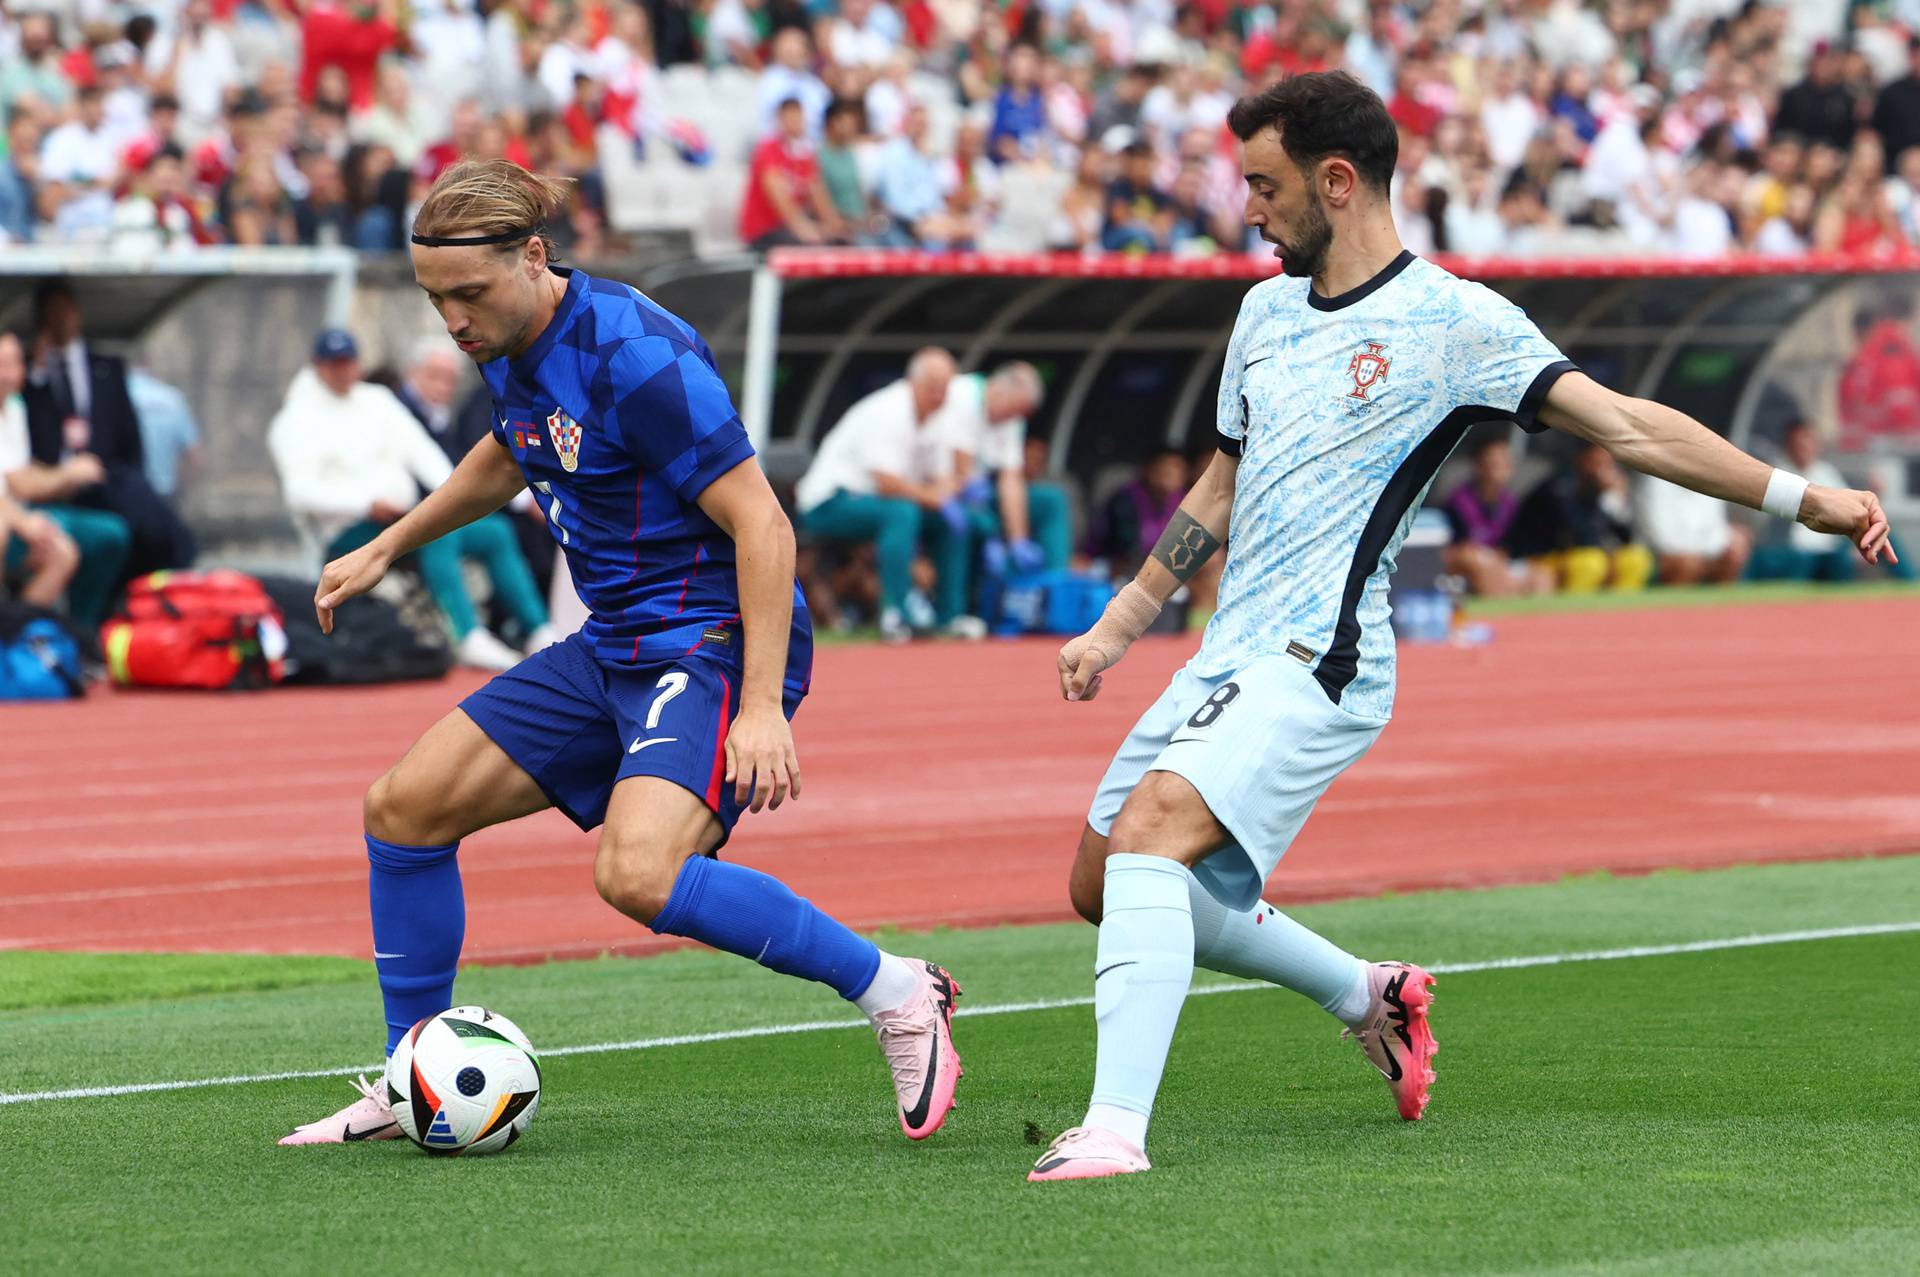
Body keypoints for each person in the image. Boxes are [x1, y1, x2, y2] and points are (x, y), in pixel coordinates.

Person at [1028, 71, 1895, 1182]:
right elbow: (1218, 487)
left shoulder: (1455, 321)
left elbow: (1629, 427)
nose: (1246, 207)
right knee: (1105, 884)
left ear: (1337, 182)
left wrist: (1803, 497)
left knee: (1156, 831)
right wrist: (1118, 623)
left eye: (1264, 183)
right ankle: (1366, 994)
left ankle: (1115, 1132)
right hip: (1225, 654)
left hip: (1322, 659)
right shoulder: (1262, 313)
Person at [280, 160, 962, 1146]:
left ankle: (899, 990)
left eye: (468, 294)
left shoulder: (638, 355)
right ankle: (410, 1070)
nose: (453, 321)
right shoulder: (503, 335)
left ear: (535, 256)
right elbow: (515, 448)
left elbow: (763, 524)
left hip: (707, 638)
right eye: (436, 300)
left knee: (637, 874)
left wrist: (762, 706)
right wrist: (391, 542)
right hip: (613, 641)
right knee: (404, 807)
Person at [267, 328, 550, 670]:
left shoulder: (378, 400)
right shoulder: (295, 420)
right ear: (317, 365)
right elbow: (301, 493)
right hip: (348, 534)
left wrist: (453, 499)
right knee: (436, 534)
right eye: (333, 363)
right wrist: (366, 504)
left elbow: (422, 452)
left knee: (495, 532)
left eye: (348, 361)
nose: (342, 370)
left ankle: (538, 629)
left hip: (400, 518)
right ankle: (468, 635)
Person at [794, 348, 986, 640]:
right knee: (902, 511)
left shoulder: (939, 416)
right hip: (829, 502)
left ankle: (950, 615)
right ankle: (894, 613)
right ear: (913, 382)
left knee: (951, 520)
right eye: (933, 387)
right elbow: (886, 482)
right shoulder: (889, 409)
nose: (940, 395)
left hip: (879, 505)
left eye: (945, 388)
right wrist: (934, 496)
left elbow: (939, 476)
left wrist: (951, 491)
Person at [22, 283, 194, 581]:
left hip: (107, 475)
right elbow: (32, 440)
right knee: (115, 529)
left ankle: (176, 567)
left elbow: (130, 435)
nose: (61, 319)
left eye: (65, 310)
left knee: (137, 504)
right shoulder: (31, 377)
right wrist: (36, 376)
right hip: (58, 483)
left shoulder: (105, 367)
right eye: (52, 313)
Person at [395, 339, 561, 625]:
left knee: (506, 533)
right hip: (421, 511)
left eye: (449, 379)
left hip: (465, 504)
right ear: (413, 373)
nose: (442, 386)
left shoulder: (438, 416)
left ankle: (538, 626)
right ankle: (472, 631)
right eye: (434, 375)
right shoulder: (401, 412)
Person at [0, 332, 130, 626]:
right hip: (12, 518)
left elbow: (22, 473)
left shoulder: (17, 408)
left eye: (14, 363)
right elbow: (18, 483)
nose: (8, 373)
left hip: (24, 512)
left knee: (107, 536)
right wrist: (68, 474)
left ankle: (70, 634)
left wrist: (66, 476)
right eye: (1, 364)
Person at [932, 361, 1071, 607]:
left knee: (1051, 500)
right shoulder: (962, 395)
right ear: (997, 391)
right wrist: (997, 534)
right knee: (973, 522)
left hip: (981, 494)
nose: (1013, 418)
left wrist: (1018, 539)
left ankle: (1055, 594)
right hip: (946, 492)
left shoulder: (1011, 418)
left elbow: (1011, 479)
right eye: (1012, 410)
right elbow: (960, 468)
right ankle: (953, 612)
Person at [1749, 421, 1914, 582]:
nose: (1804, 448)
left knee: (1880, 532)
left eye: (1808, 442)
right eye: (1798, 443)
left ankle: (1913, 583)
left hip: (1830, 545)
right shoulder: (1778, 474)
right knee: (1802, 560)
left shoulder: (1825, 472)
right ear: (1788, 445)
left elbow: (1848, 506)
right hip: (1796, 550)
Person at [1505, 443, 1654, 592]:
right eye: (1597, 463)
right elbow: (1577, 535)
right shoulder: (1560, 487)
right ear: (1582, 460)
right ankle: (1576, 612)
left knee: (1635, 558)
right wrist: (1601, 494)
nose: (1603, 470)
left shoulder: (1599, 490)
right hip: (1538, 557)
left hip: (1581, 552)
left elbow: (1626, 538)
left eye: (1608, 464)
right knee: (1589, 563)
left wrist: (1614, 501)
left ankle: (1620, 611)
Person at [1439, 434, 1551, 595]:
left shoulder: (1509, 503)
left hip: (1500, 562)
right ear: (1478, 465)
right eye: (1493, 461)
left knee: (1541, 576)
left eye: (1504, 461)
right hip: (1465, 567)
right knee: (1484, 567)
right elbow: (1452, 551)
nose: (1499, 465)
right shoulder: (1458, 502)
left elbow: (1511, 548)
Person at [738, 97, 842, 251]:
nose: (796, 122)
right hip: (764, 231)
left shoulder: (805, 153)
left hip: (788, 229)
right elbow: (780, 197)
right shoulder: (768, 149)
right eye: (791, 117)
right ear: (780, 119)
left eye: (799, 117)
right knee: (808, 246)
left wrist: (834, 225)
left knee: (840, 243)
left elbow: (818, 194)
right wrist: (804, 228)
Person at [1637, 476, 1753, 585]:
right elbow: (1661, 538)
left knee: (1735, 548)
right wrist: (1696, 554)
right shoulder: (1657, 484)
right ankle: (1677, 604)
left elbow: (1717, 527)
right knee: (1688, 563)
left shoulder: (1708, 479)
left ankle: (1721, 603)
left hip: (1704, 552)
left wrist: (1704, 553)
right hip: (1662, 555)